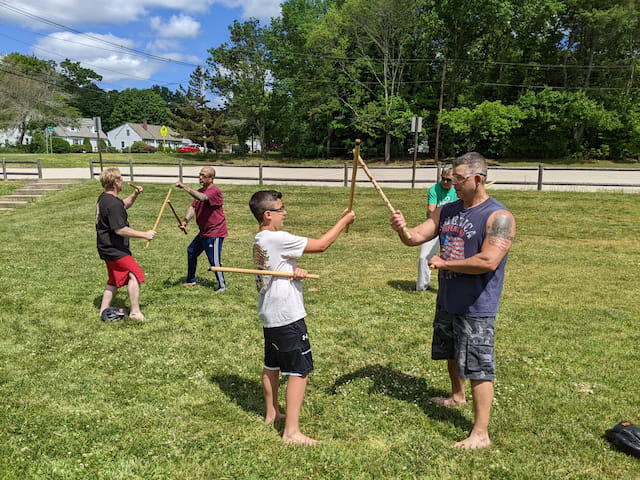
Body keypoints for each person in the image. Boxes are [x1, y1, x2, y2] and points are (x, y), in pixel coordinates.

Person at [390, 152, 515, 450]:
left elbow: (488, 260)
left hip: (477, 305)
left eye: (459, 179)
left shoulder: (499, 216)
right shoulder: (447, 210)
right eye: (451, 178)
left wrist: (445, 265)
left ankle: (480, 433)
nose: (452, 183)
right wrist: (401, 229)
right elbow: (415, 237)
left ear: (478, 179)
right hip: (448, 298)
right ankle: (456, 396)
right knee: (451, 351)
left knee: (478, 365)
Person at [249, 190, 355, 446]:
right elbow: (320, 245)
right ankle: (291, 432)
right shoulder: (278, 238)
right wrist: (344, 221)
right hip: (287, 315)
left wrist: (294, 271)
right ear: (268, 214)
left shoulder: (260, 239)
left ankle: (272, 412)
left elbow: (279, 267)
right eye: (281, 209)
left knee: (272, 364)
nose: (284, 213)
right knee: (299, 371)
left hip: (270, 312)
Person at [96, 167, 156, 321]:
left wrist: (134, 195)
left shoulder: (104, 199)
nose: (121, 181)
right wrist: (145, 234)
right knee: (134, 274)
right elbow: (120, 229)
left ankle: (103, 310)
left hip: (105, 247)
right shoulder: (113, 204)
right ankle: (135, 312)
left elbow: (123, 205)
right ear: (116, 182)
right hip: (115, 248)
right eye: (120, 179)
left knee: (113, 279)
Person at [176, 166, 228, 292]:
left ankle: (222, 286)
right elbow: (193, 207)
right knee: (191, 251)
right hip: (204, 232)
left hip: (215, 232)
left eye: (204, 175)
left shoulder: (214, 191)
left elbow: (203, 198)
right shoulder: (200, 191)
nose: (200, 178)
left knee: (214, 261)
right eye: (200, 175)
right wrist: (185, 221)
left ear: (212, 178)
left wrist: (185, 187)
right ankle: (191, 280)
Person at [416, 165, 457, 291]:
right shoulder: (434, 189)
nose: (445, 182)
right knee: (424, 257)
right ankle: (422, 287)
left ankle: (451, 287)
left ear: (454, 179)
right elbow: (431, 209)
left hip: (451, 228)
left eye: (448, 180)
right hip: (433, 226)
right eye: (443, 178)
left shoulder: (457, 190)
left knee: (453, 258)